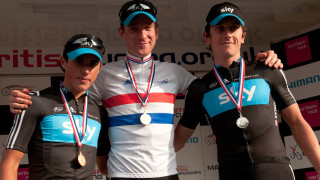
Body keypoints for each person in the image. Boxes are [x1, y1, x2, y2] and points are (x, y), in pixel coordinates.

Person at [7, 0, 282, 179]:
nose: (141, 34)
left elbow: (219, 83)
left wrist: (263, 61)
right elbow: (70, 102)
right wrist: (23, 98)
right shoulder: (104, 74)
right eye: (134, 28)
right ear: (121, 33)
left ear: (157, 31)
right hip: (121, 175)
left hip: (167, 173)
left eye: (147, 27)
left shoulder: (175, 73)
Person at [174, 2, 320, 180]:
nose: (227, 34)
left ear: (243, 36)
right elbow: (178, 139)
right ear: (207, 37)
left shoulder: (267, 70)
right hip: (232, 174)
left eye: (233, 28)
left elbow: (297, 123)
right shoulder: (200, 88)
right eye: (220, 28)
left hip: (276, 172)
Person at [0, 34, 110, 180]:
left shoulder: (99, 112)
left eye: (92, 64)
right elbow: (10, 163)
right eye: (79, 62)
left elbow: (104, 168)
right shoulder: (34, 102)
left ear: (100, 67)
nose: (86, 70)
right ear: (63, 62)